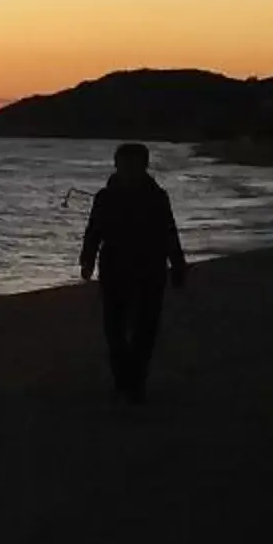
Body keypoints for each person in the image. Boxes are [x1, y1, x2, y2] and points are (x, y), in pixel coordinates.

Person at [79, 141, 187, 402]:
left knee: (146, 327)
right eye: (125, 164)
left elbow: (169, 231)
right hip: (114, 267)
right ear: (117, 165)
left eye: (135, 164)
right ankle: (123, 378)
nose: (130, 169)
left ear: (144, 165)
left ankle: (136, 380)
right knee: (114, 327)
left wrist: (178, 264)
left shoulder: (157, 196)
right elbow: (94, 231)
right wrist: (87, 260)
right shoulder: (105, 197)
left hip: (150, 267)